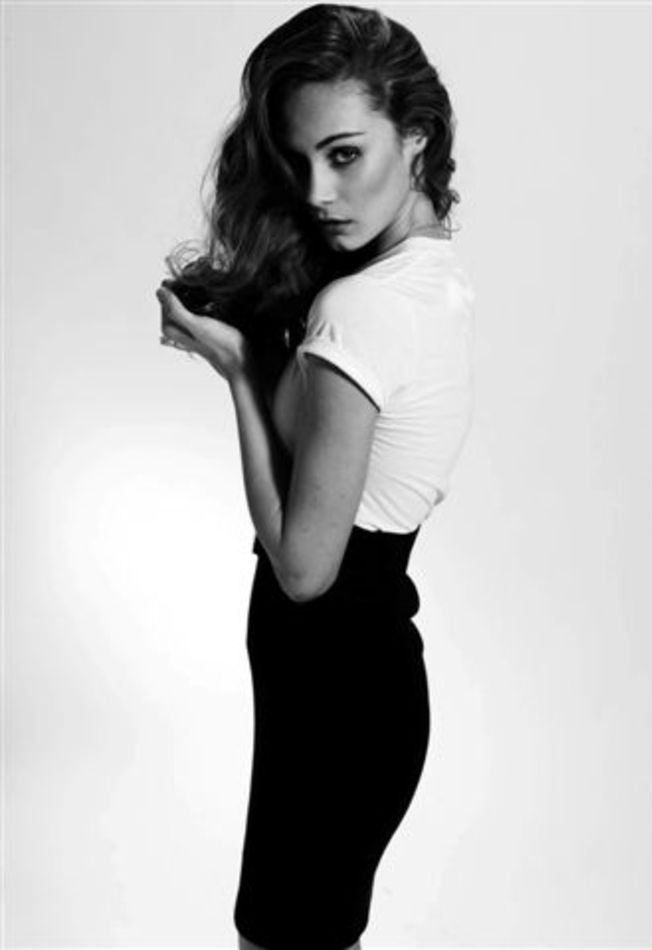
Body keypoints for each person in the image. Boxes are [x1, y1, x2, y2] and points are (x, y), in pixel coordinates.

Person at [155, 4, 475, 948]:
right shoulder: (429, 280)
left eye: (344, 155)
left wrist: (238, 373)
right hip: (346, 695)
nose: (318, 192)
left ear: (416, 137)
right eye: (297, 163)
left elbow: (302, 569)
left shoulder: (363, 309)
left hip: (334, 700)